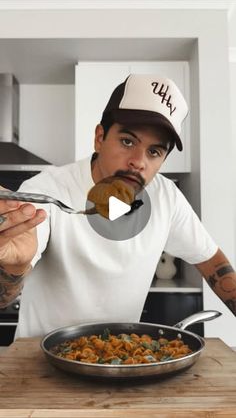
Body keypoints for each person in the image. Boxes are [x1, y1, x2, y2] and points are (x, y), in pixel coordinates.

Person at [0, 74, 235, 339]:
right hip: (41, 365)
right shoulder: (47, 191)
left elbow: (213, 262)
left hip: (119, 364)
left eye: (154, 152)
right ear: (100, 137)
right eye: (127, 141)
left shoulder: (166, 198)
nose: (138, 161)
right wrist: (14, 266)